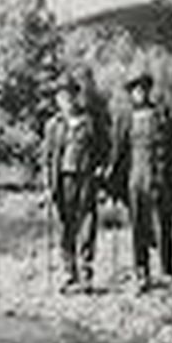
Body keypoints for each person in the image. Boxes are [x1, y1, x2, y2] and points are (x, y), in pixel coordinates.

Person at [109, 66, 172, 293]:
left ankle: (167, 271)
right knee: (138, 226)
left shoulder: (161, 114)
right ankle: (142, 273)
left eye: (143, 88)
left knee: (163, 225)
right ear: (131, 93)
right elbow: (118, 152)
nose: (139, 93)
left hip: (159, 178)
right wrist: (110, 178)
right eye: (135, 90)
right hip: (135, 179)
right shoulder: (125, 118)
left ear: (149, 90)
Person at [42, 66, 109, 291]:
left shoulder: (91, 120)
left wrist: (102, 169)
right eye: (62, 95)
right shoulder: (53, 126)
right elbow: (46, 159)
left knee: (87, 225)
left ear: (76, 95)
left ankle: (86, 274)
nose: (67, 99)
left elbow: (104, 148)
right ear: (57, 99)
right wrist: (47, 187)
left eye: (70, 93)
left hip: (87, 179)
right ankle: (69, 274)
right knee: (66, 227)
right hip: (63, 181)